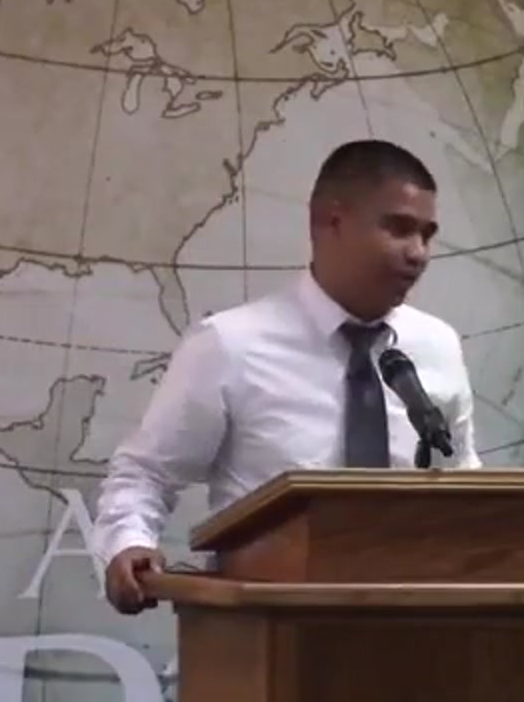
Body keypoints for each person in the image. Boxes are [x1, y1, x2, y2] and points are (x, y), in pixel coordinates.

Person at [90, 138, 482, 614]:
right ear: (331, 222)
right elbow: (146, 473)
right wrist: (129, 543)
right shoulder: (230, 344)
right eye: (399, 228)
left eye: (427, 234)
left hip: (420, 628)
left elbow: (464, 482)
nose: (418, 253)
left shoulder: (437, 346)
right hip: (266, 630)